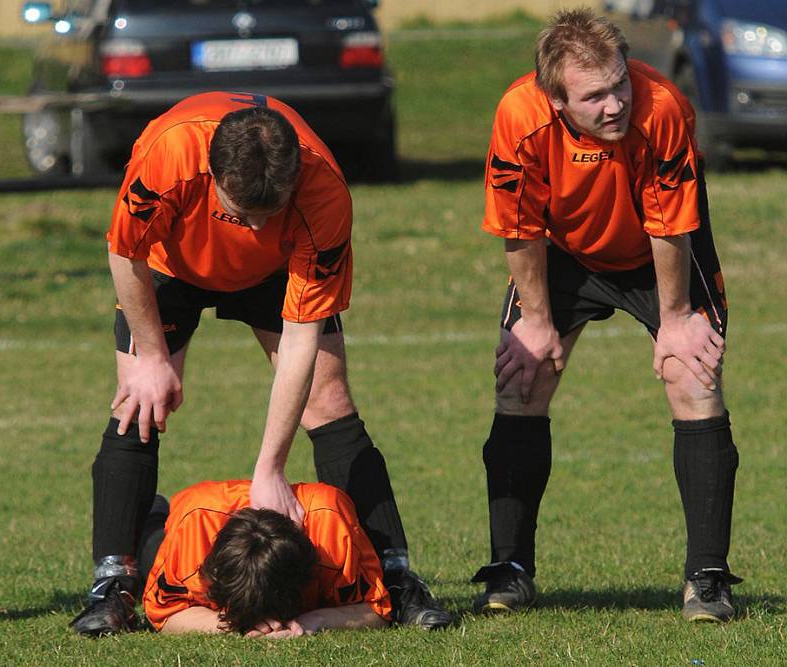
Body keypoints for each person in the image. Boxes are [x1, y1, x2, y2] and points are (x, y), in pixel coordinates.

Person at [69, 91, 451, 635]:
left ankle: (395, 578)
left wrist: (271, 467)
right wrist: (151, 356)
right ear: (210, 171)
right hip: (170, 262)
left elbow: (301, 339)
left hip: (277, 274)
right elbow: (124, 250)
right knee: (139, 404)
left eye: (267, 215)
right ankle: (113, 583)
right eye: (242, 213)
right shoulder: (170, 153)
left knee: (331, 401)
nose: (251, 228)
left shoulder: (324, 195)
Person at [470, 8, 741, 623]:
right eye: (594, 96)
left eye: (619, 83)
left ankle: (707, 578)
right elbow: (519, 227)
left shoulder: (663, 106)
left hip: (657, 251)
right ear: (556, 100)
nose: (615, 103)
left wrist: (674, 320)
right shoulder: (519, 116)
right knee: (524, 376)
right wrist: (535, 322)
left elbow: (671, 224)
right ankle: (509, 567)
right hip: (562, 252)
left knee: (690, 374)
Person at [139, 480, 391, 637]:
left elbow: (378, 610)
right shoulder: (196, 525)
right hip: (179, 527)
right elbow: (164, 614)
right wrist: (230, 624)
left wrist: (317, 620)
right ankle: (153, 509)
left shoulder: (332, 528)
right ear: (213, 572)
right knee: (145, 544)